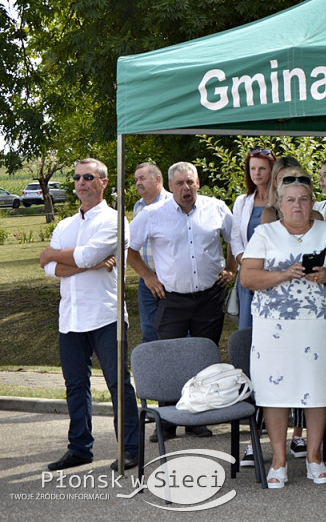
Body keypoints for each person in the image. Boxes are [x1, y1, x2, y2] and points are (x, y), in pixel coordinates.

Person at [240, 170, 326, 488]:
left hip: (320, 326)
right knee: (275, 392)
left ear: (311, 203)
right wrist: (282, 274)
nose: (298, 205)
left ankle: (315, 458)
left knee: (318, 388)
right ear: (280, 204)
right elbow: (248, 278)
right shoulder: (265, 234)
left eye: (304, 199)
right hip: (274, 328)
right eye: (290, 200)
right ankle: (278, 461)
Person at [40, 158, 141, 471]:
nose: (81, 183)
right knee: (75, 386)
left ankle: (131, 450)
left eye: (88, 177)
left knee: (117, 384)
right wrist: (91, 263)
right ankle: (80, 448)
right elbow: (48, 269)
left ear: (104, 182)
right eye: (77, 178)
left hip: (104, 315)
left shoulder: (115, 221)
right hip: (70, 318)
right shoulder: (66, 225)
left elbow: (77, 255)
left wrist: (65, 257)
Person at [127, 161, 235, 441]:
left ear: (198, 182)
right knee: (169, 359)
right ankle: (166, 422)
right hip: (171, 298)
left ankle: (197, 418)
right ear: (170, 185)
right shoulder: (153, 214)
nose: (186, 188)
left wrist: (232, 269)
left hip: (209, 297)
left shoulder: (217, 208)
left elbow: (235, 239)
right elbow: (129, 250)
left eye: (190, 182)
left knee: (202, 357)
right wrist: (148, 277)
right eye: (180, 183)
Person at [230, 148, 277, 331]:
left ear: (272, 170)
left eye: (262, 169)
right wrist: (248, 265)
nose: (256, 173)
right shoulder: (242, 202)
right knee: (247, 331)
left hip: (274, 274)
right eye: (252, 169)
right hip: (248, 275)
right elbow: (235, 239)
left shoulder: (282, 201)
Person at [132, 162, 172, 343]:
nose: (138, 183)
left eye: (142, 178)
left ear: (158, 179)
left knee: (174, 331)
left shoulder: (173, 203)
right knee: (149, 330)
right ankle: (153, 370)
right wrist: (147, 276)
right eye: (136, 179)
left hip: (171, 279)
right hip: (147, 279)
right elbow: (131, 246)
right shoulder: (138, 207)